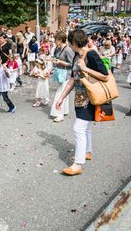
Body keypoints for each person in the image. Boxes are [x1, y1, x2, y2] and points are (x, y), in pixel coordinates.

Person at [55, 29, 109, 176]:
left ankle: (78, 164)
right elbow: (72, 79)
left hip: (90, 98)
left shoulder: (91, 54)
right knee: (85, 128)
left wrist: (85, 68)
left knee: (78, 128)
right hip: (79, 98)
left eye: (70, 43)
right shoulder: (76, 56)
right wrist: (61, 98)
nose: (69, 46)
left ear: (73, 43)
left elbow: (105, 75)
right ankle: (87, 152)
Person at [50, 31, 74, 123]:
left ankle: (59, 114)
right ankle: (64, 111)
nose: (54, 42)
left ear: (60, 40)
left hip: (67, 75)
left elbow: (73, 64)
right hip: (60, 73)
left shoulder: (68, 50)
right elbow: (56, 59)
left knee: (60, 94)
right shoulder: (58, 48)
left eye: (56, 40)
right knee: (63, 94)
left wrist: (60, 62)